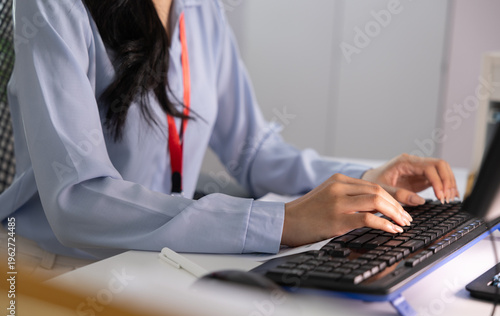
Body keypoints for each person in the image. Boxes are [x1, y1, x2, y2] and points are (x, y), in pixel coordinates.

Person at [0, 0, 458, 277]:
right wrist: (279, 222)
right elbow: (77, 200)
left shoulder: (199, 9)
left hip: (155, 259)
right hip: (49, 271)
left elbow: (253, 151)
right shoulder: (53, 5)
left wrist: (363, 179)